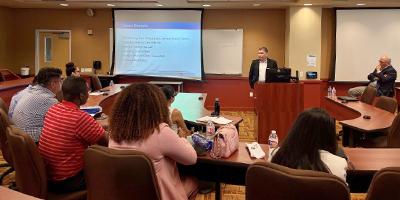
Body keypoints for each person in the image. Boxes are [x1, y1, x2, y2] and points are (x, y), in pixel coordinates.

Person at [108, 83, 198, 200]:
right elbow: (191, 158)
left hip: (125, 194)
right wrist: (183, 139)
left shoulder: (114, 133)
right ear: (156, 106)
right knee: (193, 181)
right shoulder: (160, 131)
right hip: (158, 195)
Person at [38, 76, 107, 193]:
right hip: (67, 181)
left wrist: (101, 127)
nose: (89, 94)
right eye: (87, 91)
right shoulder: (80, 118)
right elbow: (107, 143)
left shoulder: (53, 109)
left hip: (48, 176)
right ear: (81, 96)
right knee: (111, 170)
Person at [268, 107, 347, 182]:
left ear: (296, 130)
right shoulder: (339, 164)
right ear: (329, 136)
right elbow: (341, 194)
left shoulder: (275, 155)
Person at [12, 67, 63, 144]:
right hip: (32, 142)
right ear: (53, 84)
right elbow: (63, 121)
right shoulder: (48, 100)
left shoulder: (31, 91)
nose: (61, 84)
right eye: (60, 81)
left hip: (19, 139)